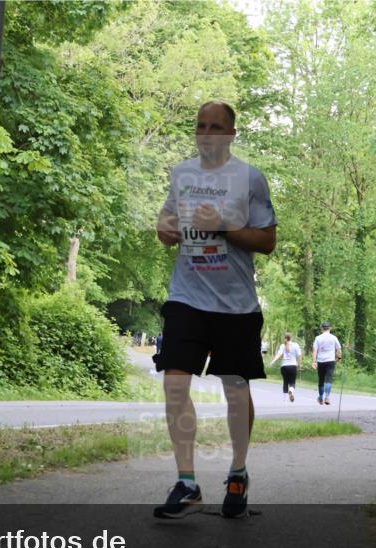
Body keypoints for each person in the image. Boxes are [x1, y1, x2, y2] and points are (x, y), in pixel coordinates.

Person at [151, 100, 277, 520]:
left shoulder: (250, 179)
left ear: (231, 134)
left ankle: (238, 473)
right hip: (187, 297)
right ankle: (186, 482)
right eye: (200, 126)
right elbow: (167, 223)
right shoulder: (181, 174)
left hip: (236, 305)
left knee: (236, 391)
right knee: (174, 383)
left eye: (216, 126)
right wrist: (165, 227)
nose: (207, 133)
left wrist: (222, 225)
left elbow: (267, 241)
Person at [311, 322, 342, 405]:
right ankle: (327, 397)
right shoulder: (334, 338)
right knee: (329, 379)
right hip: (330, 361)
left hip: (321, 361)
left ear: (322, 328)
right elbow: (339, 349)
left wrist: (314, 362)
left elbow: (315, 351)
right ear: (330, 328)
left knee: (321, 380)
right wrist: (339, 358)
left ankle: (321, 397)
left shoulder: (318, 338)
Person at [270, 333, 302, 402]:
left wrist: (273, 361)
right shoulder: (295, 345)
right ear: (292, 338)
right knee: (292, 382)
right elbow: (299, 355)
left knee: (285, 382)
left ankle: (285, 399)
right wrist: (299, 364)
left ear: (285, 338)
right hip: (293, 366)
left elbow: (279, 354)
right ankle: (291, 390)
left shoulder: (282, 345)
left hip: (284, 367)